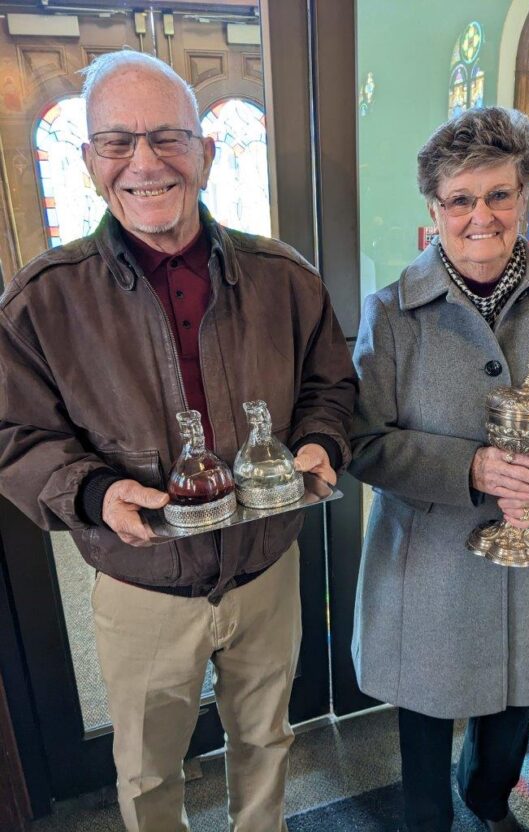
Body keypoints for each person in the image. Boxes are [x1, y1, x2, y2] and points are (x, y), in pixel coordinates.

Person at [0, 51, 355, 832]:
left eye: (168, 137)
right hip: (142, 585)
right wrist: (93, 492)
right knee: (149, 770)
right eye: (117, 142)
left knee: (265, 738)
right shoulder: (42, 302)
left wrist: (324, 440)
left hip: (265, 567)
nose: (145, 163)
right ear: (90, 159)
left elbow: (331, 387)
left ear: (207, 151)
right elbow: (15, 434)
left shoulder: (284, 278)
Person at [349, 107, 529, 832]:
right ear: (435, 209)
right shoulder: (391, 314)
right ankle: (427, 818)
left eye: (498, 194)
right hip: (429, 562)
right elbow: (362, 440)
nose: (481, 216)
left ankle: (489, 800)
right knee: (425, 708)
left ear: (525, 195)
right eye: (460, 200)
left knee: (515, 703)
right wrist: (469, 467)